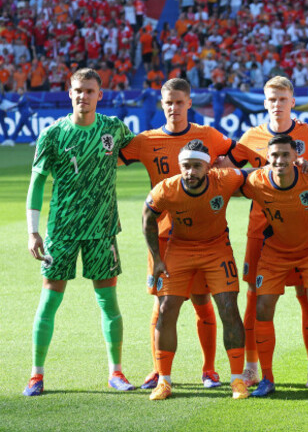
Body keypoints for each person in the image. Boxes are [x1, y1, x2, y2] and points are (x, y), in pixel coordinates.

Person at [119, 78, 236, 390]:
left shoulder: (207, 135)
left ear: (189, 103)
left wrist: (226, 163)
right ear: (161, 103)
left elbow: (236, 155)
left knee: (202, 301)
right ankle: (158, 371)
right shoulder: (145, 140)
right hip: (162, 237)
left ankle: (209, 370)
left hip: (198, 233)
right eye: (168, 102)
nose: (173, 108)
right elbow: (111, 157)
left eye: (179, 102)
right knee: (161, 305)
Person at [23, 68, 135, 396]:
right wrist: (33, 232)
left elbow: (145, 152)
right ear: (69, 93)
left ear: (100, 95)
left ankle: (116, 372)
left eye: (89, 91)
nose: (83, 96)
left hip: (102, 229)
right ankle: (36, 375)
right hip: (62, 230)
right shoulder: (54, 134)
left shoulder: (114, 128)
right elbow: (37, 182)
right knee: (49, 301)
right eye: (77, 91)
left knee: (108, 301)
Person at [219, 76, 308, 387]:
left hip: (302, 230)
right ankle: (253, 365)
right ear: (264, 102)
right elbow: (227, 170)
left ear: (292, 101)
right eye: (272, 99)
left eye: (283, 99)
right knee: (256, 299)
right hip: (261, 232)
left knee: (307, 299)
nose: (277, 104)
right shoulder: (251, 137)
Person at [142, 140, 248, 400]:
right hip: (180, 249)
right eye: (186, 166)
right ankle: (164, 381)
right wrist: (157, 258)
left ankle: (237, 380)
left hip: (217, 249)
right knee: (166, 310)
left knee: (228, 307)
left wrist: (293, 166)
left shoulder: (224, 179)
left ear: (208, 166)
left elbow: (255, 174)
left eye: (196, 166)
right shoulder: (166, 188)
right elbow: (147, 216)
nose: (190, 172)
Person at [240, 134, 308, 397]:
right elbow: (228, 178)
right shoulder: (257, 180)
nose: (280, 160)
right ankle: (267, 378)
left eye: (285, 155)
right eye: (274, 155)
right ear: (267, 158)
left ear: (296, 156)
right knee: (262, 309)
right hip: (274, 254)